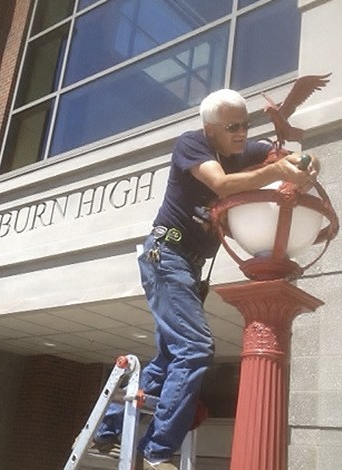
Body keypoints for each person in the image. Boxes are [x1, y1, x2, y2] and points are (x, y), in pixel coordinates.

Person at [93, 89, 318, 470]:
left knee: (168, 358)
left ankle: (108, 431)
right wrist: (278, 172)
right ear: (210, 129)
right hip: (166, 256)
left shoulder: (241, 152)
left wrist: (308, 165)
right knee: (195, 348)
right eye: (233, 127)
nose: (243, 133)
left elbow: (290, 156)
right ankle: (157, 451)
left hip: (189, 267)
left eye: (246, 124)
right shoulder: (191, 144)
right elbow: (223, 185)